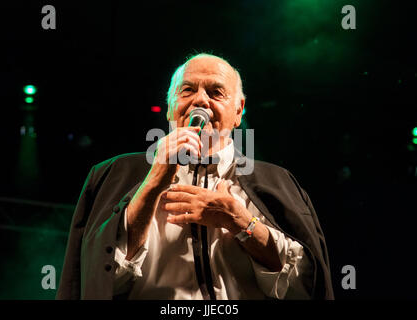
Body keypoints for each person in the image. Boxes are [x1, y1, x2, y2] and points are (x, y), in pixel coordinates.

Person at [56, 53, 334, 300]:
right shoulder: (112, 175)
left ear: (238, 111)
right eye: (188, 90)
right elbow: (97, 280)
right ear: (169, 107)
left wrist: (241, 223)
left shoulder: (279, 181)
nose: (201, 100)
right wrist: (154, 181)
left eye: (216, 92)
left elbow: (306, 285)